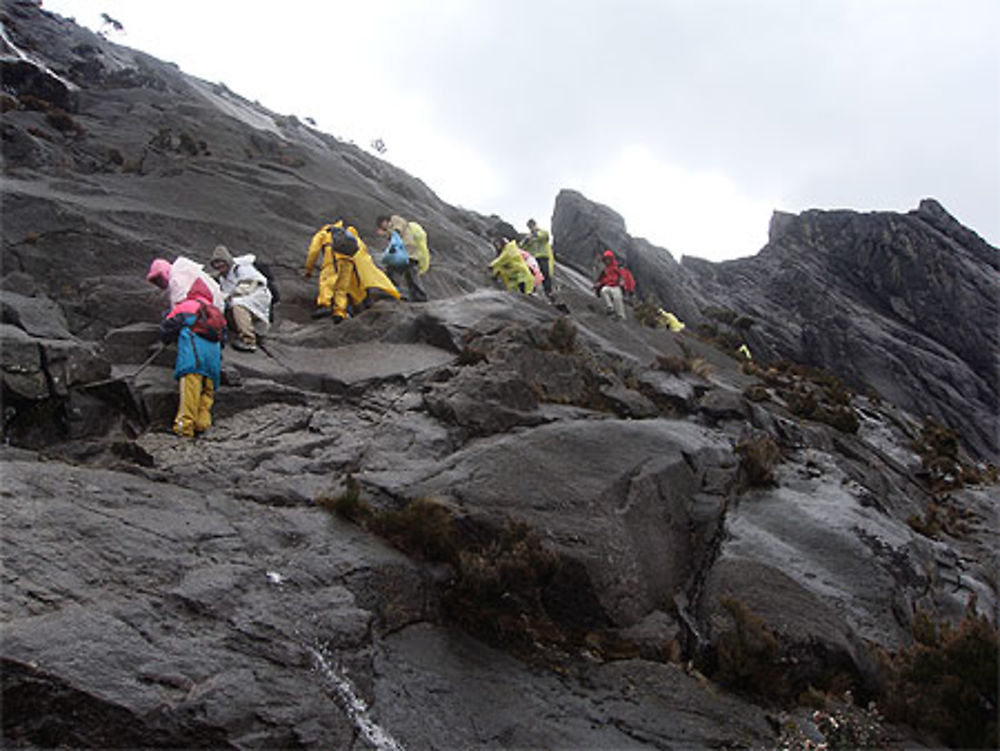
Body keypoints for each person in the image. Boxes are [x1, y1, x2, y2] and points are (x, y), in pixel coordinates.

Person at [159, 278, 224, 438]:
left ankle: (184, 428)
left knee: (190, 394)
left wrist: (167, 339)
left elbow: (168, 327)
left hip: (193, 358)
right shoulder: (216, 313)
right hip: (213, 361)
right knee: (206, 395)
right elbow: (224, 339)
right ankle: (201, 425)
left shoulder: (186, 306)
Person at [304, 220, 400, 321]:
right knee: (341, 288)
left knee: (327, 282)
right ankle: (339, 312)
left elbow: (313, 252)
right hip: (349, 262)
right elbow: (361, 252)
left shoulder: (323, 234)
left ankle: (325, 305)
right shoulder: (348, 234)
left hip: (333, 260)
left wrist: (309, 270)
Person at [208, 244, 272, 353]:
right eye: (216, 265)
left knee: (238, 305)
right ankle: (247, 329)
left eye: (221, 264)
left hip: (257, 294)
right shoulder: (222, 278)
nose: (219, 267)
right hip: (245, 297)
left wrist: (229, 296)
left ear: (227, 261)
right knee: (226, 307)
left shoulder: (242, 268)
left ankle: (248, 340)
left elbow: (250, 285)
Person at [375, 214, 429, 301]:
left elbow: (397, 231)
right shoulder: (391, 227)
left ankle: (419, 297)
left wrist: (386, 233)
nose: (382, 227)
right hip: (403, 254)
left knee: (411, 276)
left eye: (381, 225)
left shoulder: (395, 219)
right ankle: (392, 293)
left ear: (384, 221)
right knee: (394, 273)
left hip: (408, 253)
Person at [147, 256, 224, 310]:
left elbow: (178, 304)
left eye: (159, 278)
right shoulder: (184, 269)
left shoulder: (176, 279)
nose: (159, 283)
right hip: (216, 304)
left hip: (211, 309)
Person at [521, 219, 555, 297]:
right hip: (533, 258)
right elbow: (523, 246)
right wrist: (526, 241)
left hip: (543, 256)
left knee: (545, 273)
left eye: (532, 225)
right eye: (529, 226)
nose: (531, 228)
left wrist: (534, 234)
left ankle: (548, 291)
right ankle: (532, 290)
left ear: (535, 224)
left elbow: (544, 237)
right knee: (532, 273)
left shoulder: (543, 232)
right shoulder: (529, 237)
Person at [593, 249, 626, 320]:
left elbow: (621, 275)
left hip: (616, 286)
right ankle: (610, 307)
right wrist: (598, 284)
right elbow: (602, 279)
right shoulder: (605, 269)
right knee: (603, 291)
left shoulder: (616, 267)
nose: (607, 261)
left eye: (609, 259)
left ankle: (620, 315)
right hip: (608, 285)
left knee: (617, 298)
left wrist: (622, 281)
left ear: (611, 259)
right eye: (606, 259)